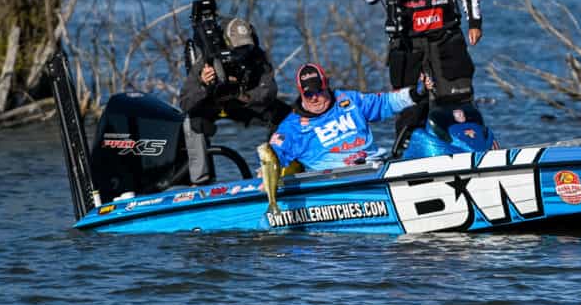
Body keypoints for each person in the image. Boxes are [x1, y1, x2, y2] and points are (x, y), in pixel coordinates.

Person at [361, 0, 482, 150]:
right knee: (409, 102)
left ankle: (465, 144)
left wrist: (475, 22)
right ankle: (406, 150)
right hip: (407, 41)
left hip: (445, 35)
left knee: (456, 95)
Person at [266, 62, 426, 172]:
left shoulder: (349, 100)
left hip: (375, 168)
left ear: (326, 85)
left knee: (420, 140)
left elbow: (385, 102)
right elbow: (272, 158)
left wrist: (416, 93)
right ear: (300, 92)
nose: (314, 97)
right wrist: (264, 174)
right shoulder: (291, 127)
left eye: (318, 91)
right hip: (332, 182)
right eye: (308, 94)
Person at [179, 17, 278, 184]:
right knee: (192, 122)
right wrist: (203, 85)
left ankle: (274, 171)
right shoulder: (207, 59)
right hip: (212, 105)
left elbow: (269, 91)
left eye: (247, 48)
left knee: (280, 115)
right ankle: (200, 180)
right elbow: (185, 102)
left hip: (242, 103)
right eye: (238, 49)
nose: (243, 53)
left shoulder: (258, 58)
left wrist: (242, 95)